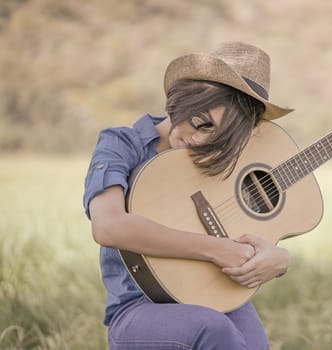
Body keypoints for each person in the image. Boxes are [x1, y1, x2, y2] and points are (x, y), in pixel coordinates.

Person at [83, 41, 294, 349]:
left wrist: (280, 259)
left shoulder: (223, 157)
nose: (196, 140)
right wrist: (214, 249)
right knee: (212, 329)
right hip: (139, 309)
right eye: (200, 122)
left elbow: (248, 228)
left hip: (216, 295)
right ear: (186, 97)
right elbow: (108, 226)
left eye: (216, 137)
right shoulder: (121, 145)